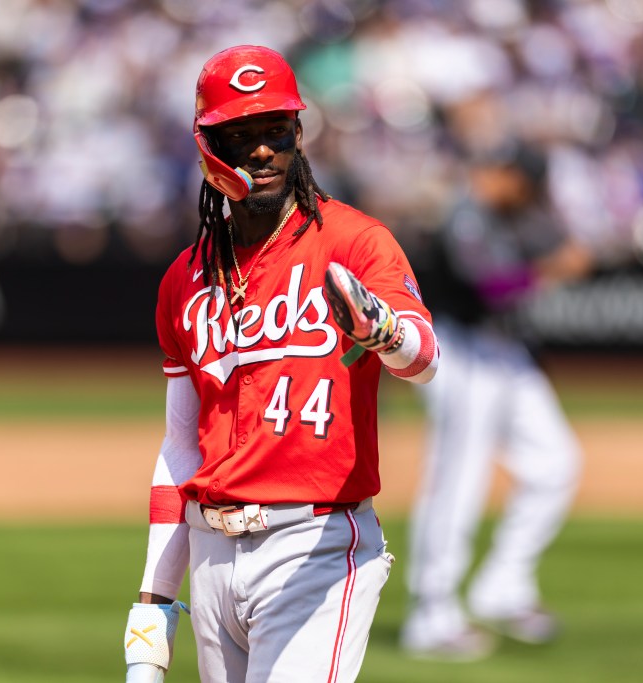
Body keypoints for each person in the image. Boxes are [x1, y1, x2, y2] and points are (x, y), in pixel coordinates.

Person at [123, 45, 440, 683]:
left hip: (316, 543)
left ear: (299, 134)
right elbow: (181, 449)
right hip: (211, 553)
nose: (261, 151)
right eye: (239, 136)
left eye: (275, 131)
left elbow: (424, 358)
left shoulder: (354, 241)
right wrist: (154, 603)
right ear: (208, 147)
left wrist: (380, 331)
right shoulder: (184, 281)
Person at [400, 145, 589, 660]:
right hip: (461, 352)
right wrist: (551, 269)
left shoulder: (517, 212)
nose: (529, 196)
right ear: (506, 175)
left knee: (556, 464)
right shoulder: (466, 213)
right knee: (457, 480)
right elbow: (489, 286)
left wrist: (558, 255)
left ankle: (503, 584)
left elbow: (567, 245)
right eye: (524, 184)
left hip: (508, 355)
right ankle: (430, 613)